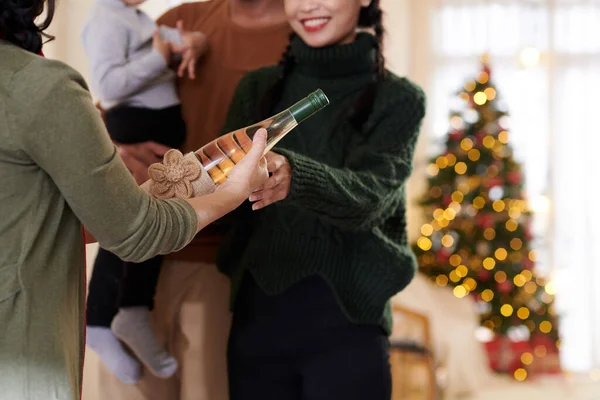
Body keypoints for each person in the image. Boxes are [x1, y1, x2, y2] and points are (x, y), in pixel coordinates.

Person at [0, 1, 270, 398]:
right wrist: (232, 190)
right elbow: (135, 232)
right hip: (22, 364)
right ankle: (108, 318)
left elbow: (45, 223)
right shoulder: (38, 86)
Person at [218, 0, 426, 398]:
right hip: (256, 320)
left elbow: (371, 199)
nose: (308, 5)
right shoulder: (257, 89)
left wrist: (294, 177)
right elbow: (223, 198)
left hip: (349, 323)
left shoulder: (399, 99)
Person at [95, 0, 290, 398]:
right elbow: (108, 103)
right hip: (141, 258)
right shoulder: (181, 23)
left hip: (224, 266)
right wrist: (115, 149)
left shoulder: (308, 32)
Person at [80, 0, 208, 384]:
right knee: (132, 225)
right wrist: (160, 58)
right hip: (137, 126)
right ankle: (108, 315)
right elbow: (107, 84)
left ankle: (123, 310)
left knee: (149, 221)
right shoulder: (105, 21)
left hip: (153, 128)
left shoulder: (134, 19)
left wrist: (194, 42)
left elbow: (178, 39)